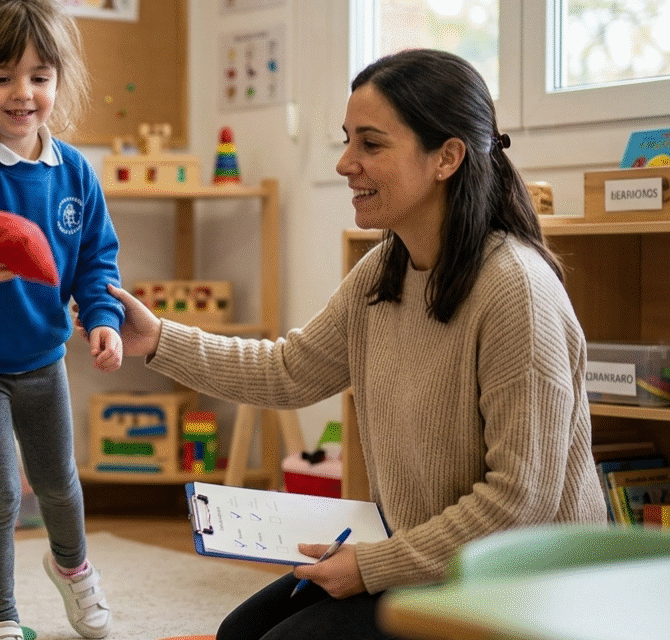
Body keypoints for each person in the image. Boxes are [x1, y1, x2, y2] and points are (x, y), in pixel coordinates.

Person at [101, 49, 606, 640]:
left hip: (520, 583)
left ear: (446, 157)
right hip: (433, 559)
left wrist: (371, 566)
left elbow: (520, 503)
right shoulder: (386, 268)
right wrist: (158, 337)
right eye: (347, 141)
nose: (345, 163)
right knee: (240, 634)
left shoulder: (516, 290)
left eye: (370, 144)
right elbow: (289, 370)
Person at [0, 2, 124, 639]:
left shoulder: (75, 172)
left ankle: (74, 571)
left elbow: (96, 259)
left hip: (42, 358)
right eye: (3, 76)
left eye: (39, 76)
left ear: (59, 82)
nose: (23, 93)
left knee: (61, 485)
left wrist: (102, 318)